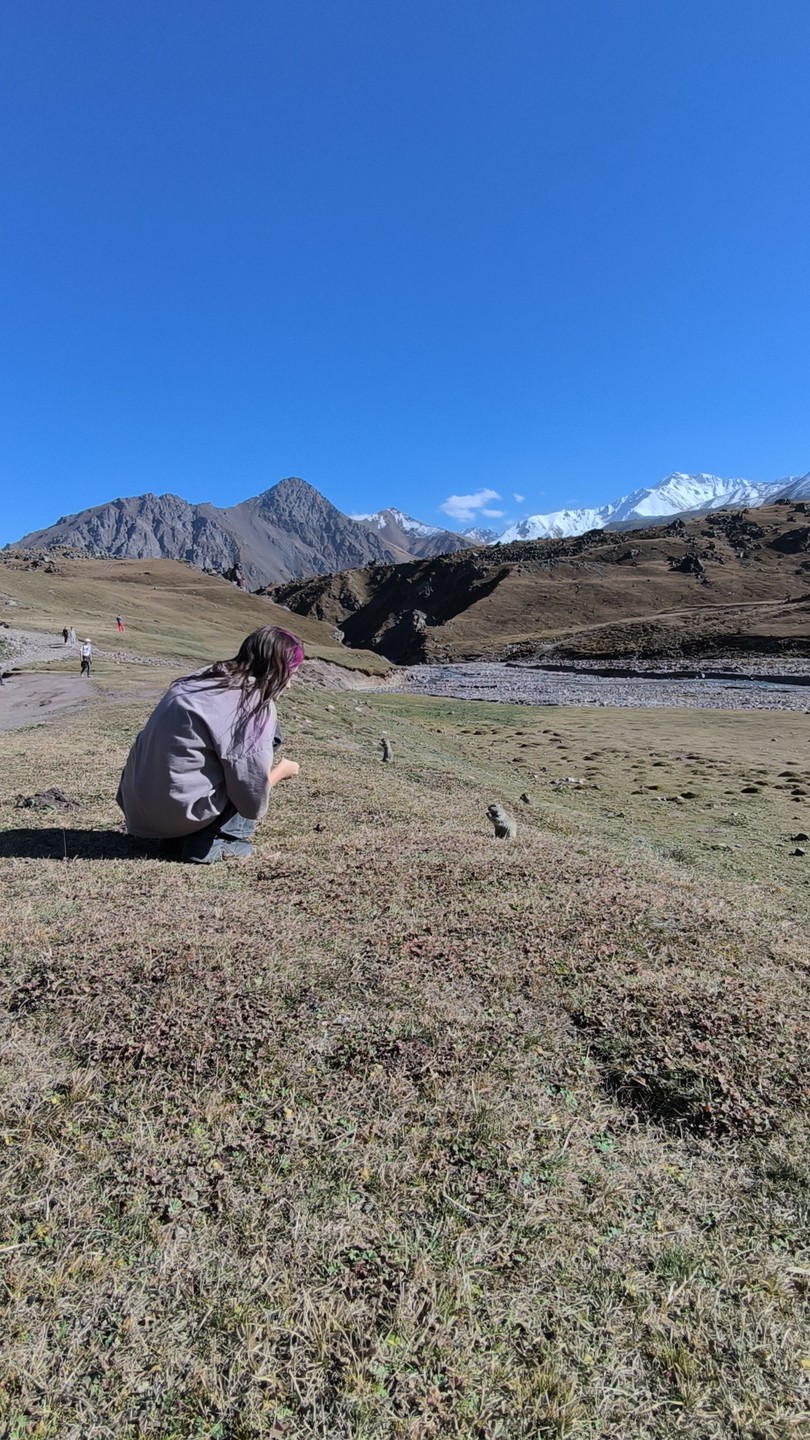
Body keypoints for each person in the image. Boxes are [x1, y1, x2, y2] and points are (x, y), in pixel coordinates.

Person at [116, 625, 303, 864]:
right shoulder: (252, 705)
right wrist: (283, 771)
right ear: (279, 670)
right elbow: (250, 796)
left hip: (139, 808)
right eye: (293, 673)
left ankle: (178, 838)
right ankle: (213, 840)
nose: (291, 683)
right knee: (254, 760)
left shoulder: (201, 678)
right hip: (178, 812)